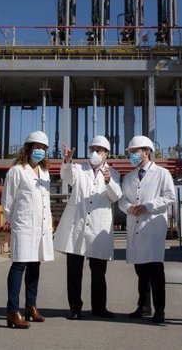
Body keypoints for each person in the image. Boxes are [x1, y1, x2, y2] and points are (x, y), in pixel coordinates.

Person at [53, 136, 122, 320]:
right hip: (78, 225)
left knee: (99, 271)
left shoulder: (113, 173)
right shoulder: (78, 168)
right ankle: (75, 308)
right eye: (92, 148)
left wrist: (109, 181)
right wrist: (67, 161)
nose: (95, 152)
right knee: (74, 270)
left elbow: (116, 196)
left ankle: (99, 307)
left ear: (107, 153)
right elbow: (67, 176)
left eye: (99, 149)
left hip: (98, 228)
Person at [118, 135, 175, 324]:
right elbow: (122, 199)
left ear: (147, 152)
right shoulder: (129, 177)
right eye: (131, 152)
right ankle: (143, 306)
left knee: (156, 271)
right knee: (140, 270)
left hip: (153, 226)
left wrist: (148, 206)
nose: (133, 155)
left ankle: (160, 310)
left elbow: (169, 197)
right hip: (135, 225)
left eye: (136, 151)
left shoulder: (162, 173)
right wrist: (129, 208)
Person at [2, 130, 54, 329]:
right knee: (19, 266)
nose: (40, 151)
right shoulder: (17, 171)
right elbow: (7, 203)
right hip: (24, 226)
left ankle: (30, 307)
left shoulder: (44, 173)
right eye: (37, 147)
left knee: (35, 266)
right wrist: (16, 222)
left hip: (40, 227)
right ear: (28, 148)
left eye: (43, 148)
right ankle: (12, 311)